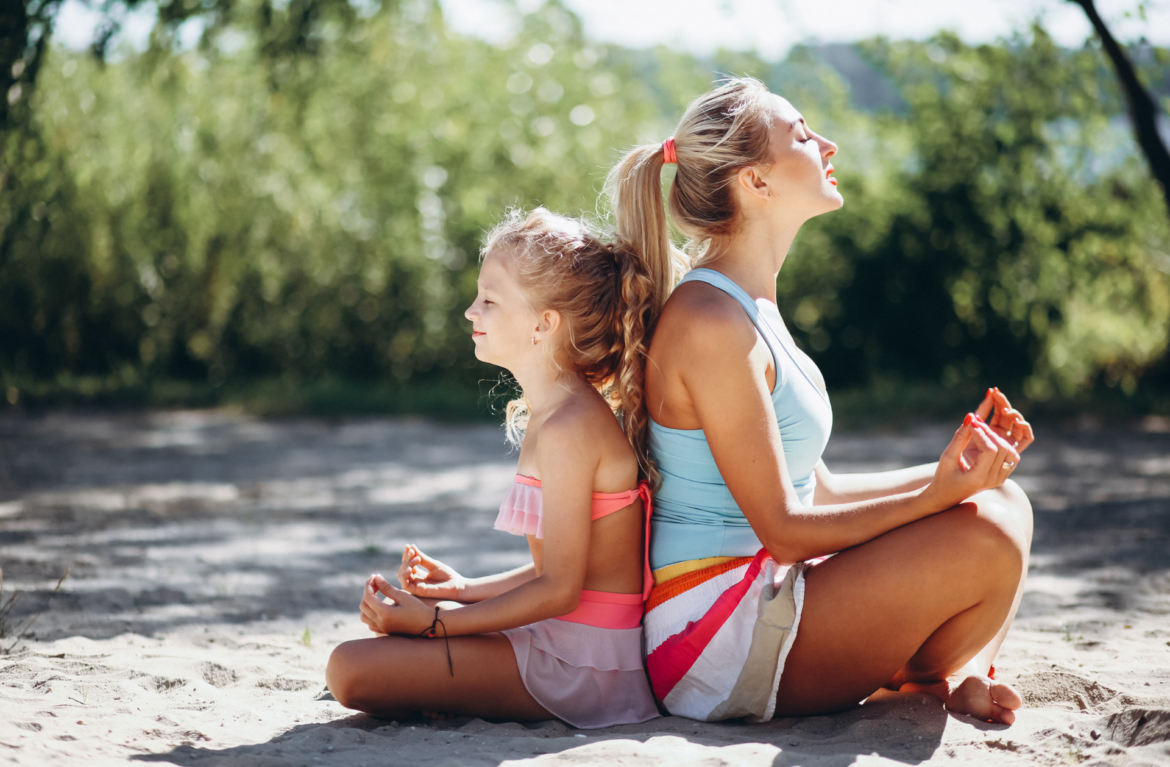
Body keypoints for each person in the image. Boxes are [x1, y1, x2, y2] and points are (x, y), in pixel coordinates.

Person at [605, 77, 1035, 725]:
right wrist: (934, 496)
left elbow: (818, 492)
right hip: (713, 638)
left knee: (1005, 499)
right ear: (756, 181)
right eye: (803, 135)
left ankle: (959, 671)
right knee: (987, 537)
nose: (828, 144)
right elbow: (784, 531)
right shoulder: (711, 322)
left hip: (765, 592)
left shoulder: (749, 305)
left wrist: (962, 476)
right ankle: (932, 673)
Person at [325, 208, 663, 727]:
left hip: (585, 666)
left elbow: (561, 588)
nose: (470, 311)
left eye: (489, 300)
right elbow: (564, 568)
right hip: (562, 639)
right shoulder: (555, 414)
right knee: (375, 647)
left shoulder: (570, 427)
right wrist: (461, 590)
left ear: (543, 324)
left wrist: (435, 622)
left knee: (349, 668)